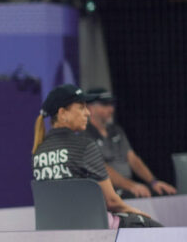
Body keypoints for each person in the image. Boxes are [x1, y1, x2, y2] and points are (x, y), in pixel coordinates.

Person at [31, 84, 160, 228]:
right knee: (156, 230)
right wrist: (134, 211)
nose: (87, 113)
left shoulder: (38, 151)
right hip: (92, 227)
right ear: (63, 113)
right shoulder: (85, 146)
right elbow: (112, 202)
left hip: (56, 229)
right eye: (81, 108)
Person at [85, 88, 176, 199]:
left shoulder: (116, 130)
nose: (111, 109)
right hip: (106, 190)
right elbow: (101, 168)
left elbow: (133, 159)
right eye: (105, 105)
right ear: (90, 108)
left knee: (162, 192)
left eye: (111, 104)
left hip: (127, 185)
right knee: (135, 194)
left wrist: (153, 182)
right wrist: (131, 185)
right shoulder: (85, 134)